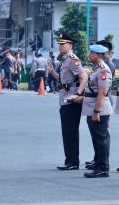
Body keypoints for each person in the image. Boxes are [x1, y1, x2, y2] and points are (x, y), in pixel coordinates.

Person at [47, 33, 88, 170]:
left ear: (70, 46)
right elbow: (65, 81)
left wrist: (77, 94)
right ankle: (69, 159)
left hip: (71, 101)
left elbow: (84, 77)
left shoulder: (72, 59)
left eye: (62, 44)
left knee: (71, 131)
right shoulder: (65, 60)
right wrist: (53, 73)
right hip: (64, 99)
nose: (59, 46)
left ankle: (73, 161)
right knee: (67, 131)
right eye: (59, 43)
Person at [82, 44, 113, 178]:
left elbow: (102, 93)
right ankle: (98, 163)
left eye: (92, 53)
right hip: (92, 106)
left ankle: (103, 167)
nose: (90, 55)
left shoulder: (103, 70)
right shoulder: (96, 69)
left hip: (99, 108)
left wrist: (96, 112)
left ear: (99, 55)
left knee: (101, 139)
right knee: (97, 138)